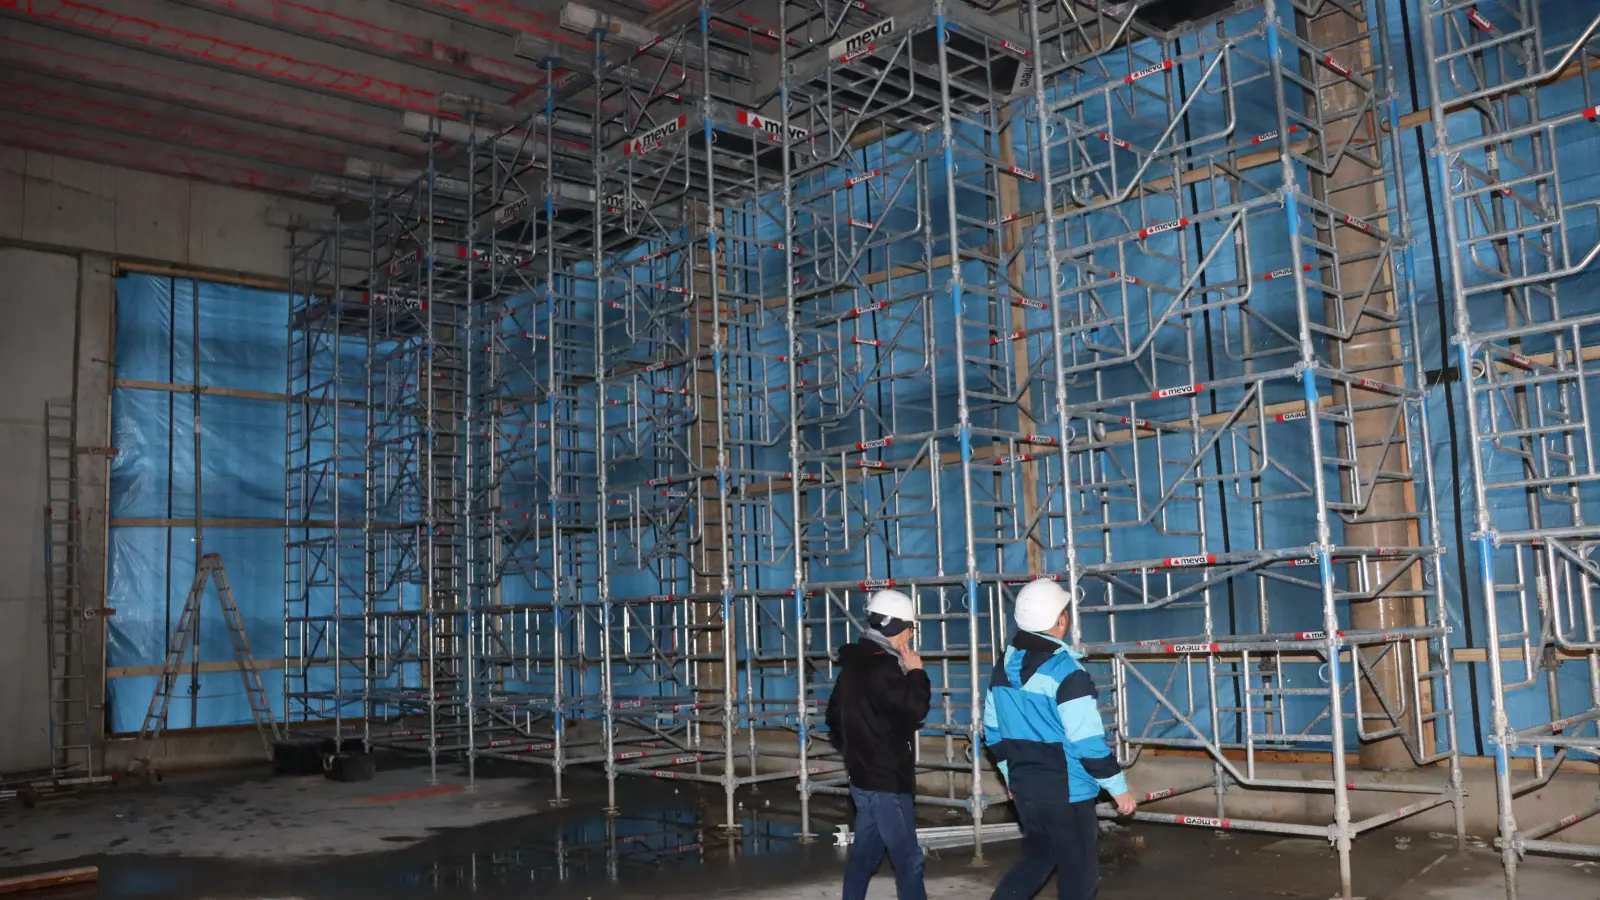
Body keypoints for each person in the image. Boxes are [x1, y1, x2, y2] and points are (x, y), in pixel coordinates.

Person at [983, 578, 1137, 900]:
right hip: (1067, 795)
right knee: (1079, 881)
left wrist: (1011, 776)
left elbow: (993, 733)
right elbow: (1087, 743)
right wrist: (1118, 787)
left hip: (1026, 790)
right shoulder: (1067, 672)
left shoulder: (1002, 669)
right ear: (1060, 620)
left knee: (1037, 861)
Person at [825, 588, 932, 900]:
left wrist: (857, 750)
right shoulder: (885, 667)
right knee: (909, 861)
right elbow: (914, 709)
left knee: (865, 857)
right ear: (898, 628)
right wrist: (917, 674)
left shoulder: (853, 665)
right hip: (886, 782)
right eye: (910, 628)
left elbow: (833, 717)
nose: (911, 635)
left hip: (862, 778)